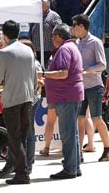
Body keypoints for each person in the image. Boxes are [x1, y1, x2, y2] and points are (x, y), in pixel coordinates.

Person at [0, 20, 38, 184]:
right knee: (23, 137)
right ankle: (24, 170)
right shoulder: (28, 50)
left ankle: (22, 173)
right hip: (28, 98)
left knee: (15, 138)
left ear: (5, 35)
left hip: (12, 99)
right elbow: (34, 75)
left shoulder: (3, 53)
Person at [43, 24, 84, 180]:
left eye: (53, 35)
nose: (52, 38)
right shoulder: (72, 47)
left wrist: (44, 74)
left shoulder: (64, 49)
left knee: (67, 133)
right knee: (72, 133)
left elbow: (63, 73)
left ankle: (69, 169)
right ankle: (74, 166)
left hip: (66, 96)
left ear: (59, 36)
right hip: (70, 95)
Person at [72, 14, 109, 162]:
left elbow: (103, 65)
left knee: (97, 118)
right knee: (80, 118)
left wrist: (88, 70)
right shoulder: (76, 43)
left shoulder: (95, 42)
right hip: (80, 87)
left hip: (95, 86)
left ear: (81, 26)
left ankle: (107, 149)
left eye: (74, 25)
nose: (72, 28)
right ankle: (78, 152)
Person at [17, 37, 43, 174]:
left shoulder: (35, 63)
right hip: (25, 99)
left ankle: (29, 161)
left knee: (29, 130)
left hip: (32, 99)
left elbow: (38, 81)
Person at [29, 0, 62, 68]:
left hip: (48, 49)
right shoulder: (35, 15)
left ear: (48, 4)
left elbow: (59, 30)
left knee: (45, 67)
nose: (42, 6)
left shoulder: (54, 16)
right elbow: (31, 29)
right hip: (35, 48)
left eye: (43, 4)